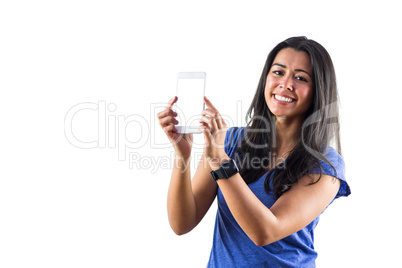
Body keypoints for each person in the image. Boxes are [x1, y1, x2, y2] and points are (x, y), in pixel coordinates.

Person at [157, 36, 351, 267]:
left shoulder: (325, 165)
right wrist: (183, 156)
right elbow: (182, 223)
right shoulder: (230, 142)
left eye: (300, 78)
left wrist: (220, 161)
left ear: (318, 91)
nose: (286, 84)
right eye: (278, 72)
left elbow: (266, 232)